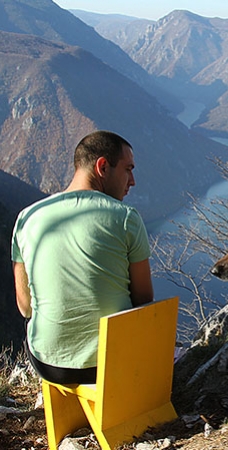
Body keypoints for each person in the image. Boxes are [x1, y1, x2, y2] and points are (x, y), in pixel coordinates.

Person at [12, 130, 154, 384]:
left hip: (47, 364)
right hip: (111, 362)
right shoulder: (126, 218)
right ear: (102, 166)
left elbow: (25, 307)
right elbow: (143, 299)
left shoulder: (27, 219)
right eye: (128, 169)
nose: (132, 181)